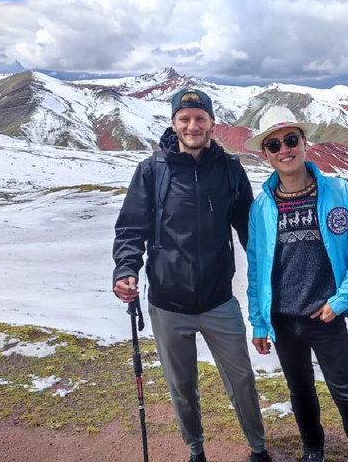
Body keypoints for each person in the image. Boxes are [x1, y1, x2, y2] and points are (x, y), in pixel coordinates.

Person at [112, 89, 273, 462]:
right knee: (182, 387)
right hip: (168, 304)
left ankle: (258, 448)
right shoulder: (153, 170)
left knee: (242, 381)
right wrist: (125, 269)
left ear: (212, 124)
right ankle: (195, 450)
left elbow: (251, 232)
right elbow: (131, 229)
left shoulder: (230, 170)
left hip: (219, 300)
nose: (193, 125)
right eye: (184, 119)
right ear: (174, 123)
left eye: (200, 119)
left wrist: (272, 275)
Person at [244, 106, 348, 462]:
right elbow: (256, 269)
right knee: (300, 390)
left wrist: (340, 301)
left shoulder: (339, 193)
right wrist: (259, 321)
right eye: (274, 145)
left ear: (305, 142)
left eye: (291, 139)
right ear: (266, 154)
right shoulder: (261, 207)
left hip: (327, 317)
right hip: (284, 320)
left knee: (346, 394)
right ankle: (312, 450)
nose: (284, 149)